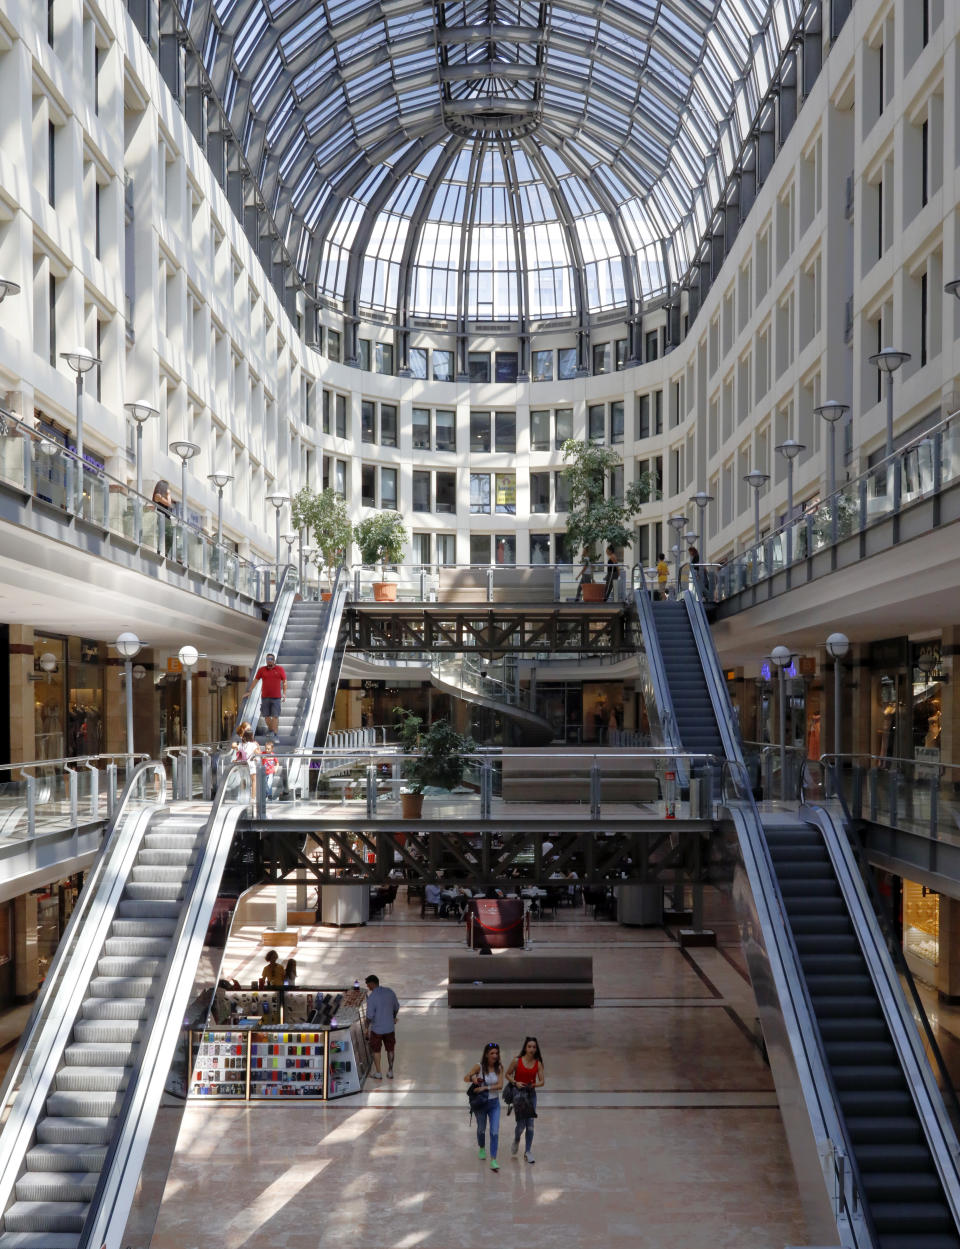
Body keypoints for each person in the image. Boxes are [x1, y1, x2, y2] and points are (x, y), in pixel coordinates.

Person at [464, 1042, 503, 1171]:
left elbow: (500, 1085)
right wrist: (473, 1077)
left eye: (496, 1053)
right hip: (481, 1104)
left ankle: (493, 1159)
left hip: (494, 1104)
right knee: (481, 1129)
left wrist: (485, 1087)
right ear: (486, 1054)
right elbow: (466, 1078)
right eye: (492, 1053)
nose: (495, 1056)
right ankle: (481, 1147)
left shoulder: (499, 1068)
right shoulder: (479, 1066)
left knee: (494, 1132)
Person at [506, 1036, 544, 1163]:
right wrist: (515, 1082)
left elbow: (542, 1081)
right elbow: (507, 1074)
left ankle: (528, 1151)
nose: (532, 1049)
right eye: (529, 1046)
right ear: (525, 1048)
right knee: (521, 1125)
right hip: (519, 1095)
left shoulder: (538, 1063)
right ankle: (517, 1139)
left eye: (534, 1047)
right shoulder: (516, 1061)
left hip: (531, 1095)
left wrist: (534, 1085)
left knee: (531, 1125)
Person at [364, 973, 399, 1080]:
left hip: (377, 1029)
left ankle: (378, 1073)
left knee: (376, 1050)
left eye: (368, 985)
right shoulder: (390, 992)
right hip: (389, 1028)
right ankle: (390, 1071)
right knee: (390, 1049)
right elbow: (396, 1007)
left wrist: (366, 1027)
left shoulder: (372, 997)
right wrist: (393, 1017)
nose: (368, 987)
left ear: (372, 983)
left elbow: (369, 1016)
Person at [244, 652, 286, 737]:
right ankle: (271, 730)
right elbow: (255, 680)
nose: (269, 661)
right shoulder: (261, 670)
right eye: (267, 659)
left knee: (275, 716)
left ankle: (274, 733)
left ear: (274, 660)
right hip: (265, 697)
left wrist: (284, 694)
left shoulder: (280, 669)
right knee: (266, 716)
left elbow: (285, 682)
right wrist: (250, 691)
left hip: (276, 697)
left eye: (270, 659)